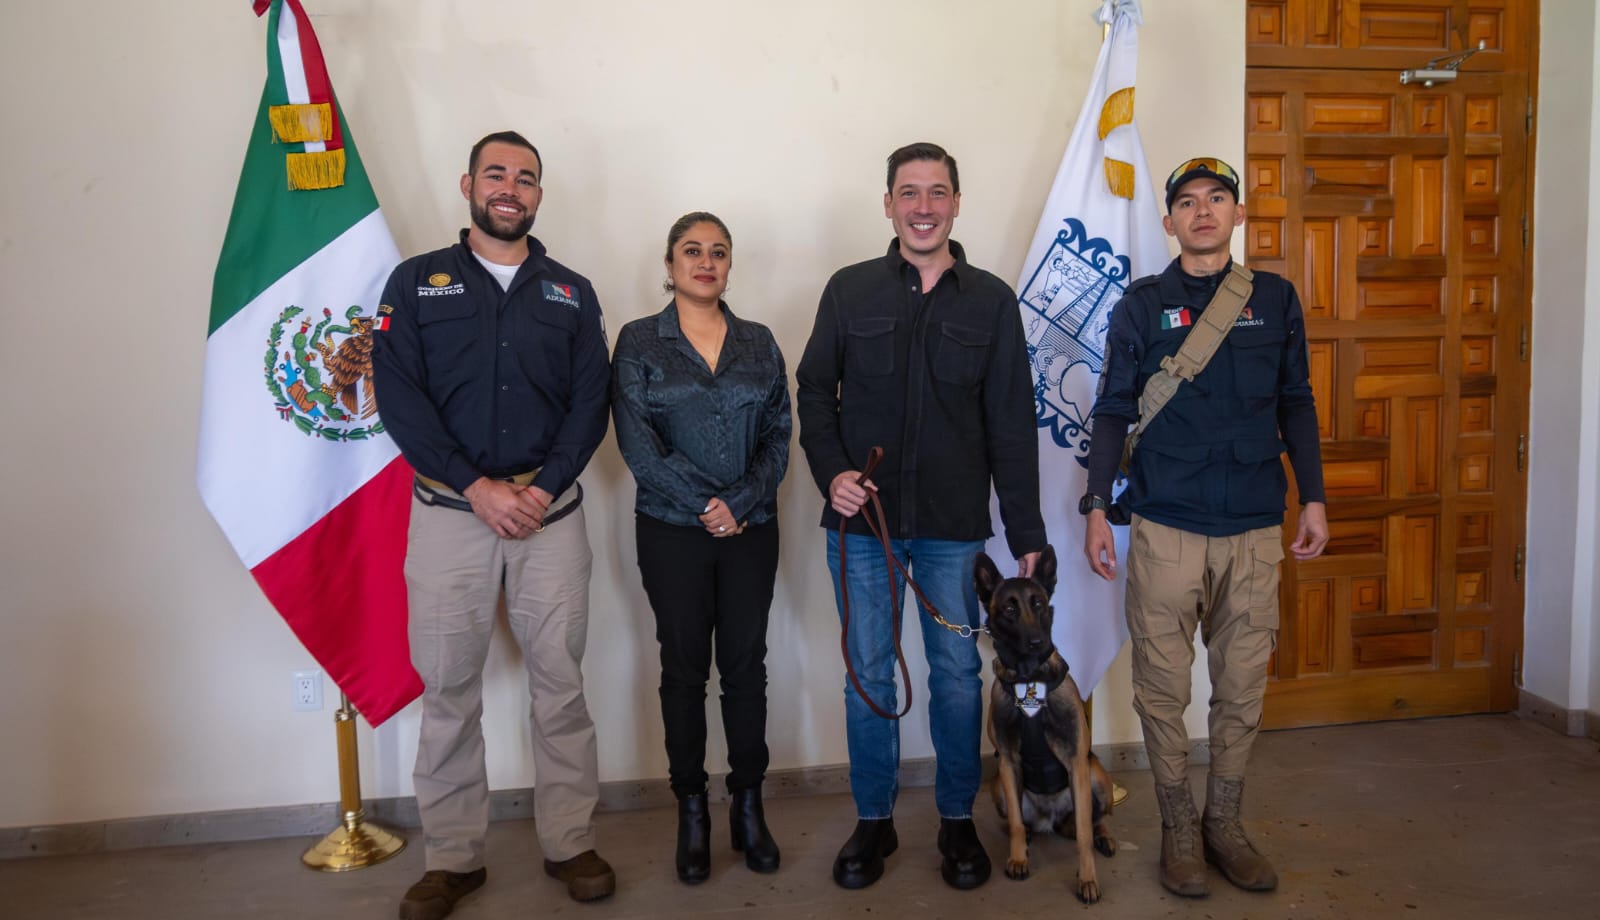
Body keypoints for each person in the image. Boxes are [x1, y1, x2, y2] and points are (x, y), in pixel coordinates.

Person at [372, 131, 615, 919]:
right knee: (447, 689)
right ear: (469, 184)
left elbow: (591, 403)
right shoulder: (414, 285)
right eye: (497, 174)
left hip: (551, 516)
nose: (511, 188)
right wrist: (478, 488)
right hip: (451, 514)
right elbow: (401, 399)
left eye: (527, 178)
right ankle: (453, 857)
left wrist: (540, 490)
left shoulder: (571, 292)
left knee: (561, 686)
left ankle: (569, 842)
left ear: (539, 195)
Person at [796, 142, 1046, 892]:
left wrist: (1026, 533)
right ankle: (873, 823)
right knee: (868, 677)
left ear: (957, 204)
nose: (924, 206)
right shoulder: (849, 291)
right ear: (889, 205)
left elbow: (1010, 421)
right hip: (864, 528)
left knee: (956, 678)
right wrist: (832, 473)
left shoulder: (992, 301)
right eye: (909, 192)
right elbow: (813, 393)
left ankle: (956, 822)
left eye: (938, 192)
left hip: (951, 528)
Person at [1079, 157, 1329, 898]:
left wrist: (1311, 496)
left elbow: (1298, 402)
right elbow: (1113, 408)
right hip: (1166, 525)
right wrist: (1097, 504)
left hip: (1253, 524)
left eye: (1217, 199)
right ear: (1169, 223)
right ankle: (1179, 829)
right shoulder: (1142, 304)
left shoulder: (1275, 299)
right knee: (1161, 689)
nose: (1203, 212)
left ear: (1238, 214)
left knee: (1242, 684)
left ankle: (1225, 823)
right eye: (1187, 203)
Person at [611, 212, 791, 884]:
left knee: (746, 666)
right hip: (671, 532)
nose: (706, 261)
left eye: (718, 252)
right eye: (693, 251)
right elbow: (637, 444)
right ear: (669, 264)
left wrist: (738, 503)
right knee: (684, 669)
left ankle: (749, 805)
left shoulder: (759, 342)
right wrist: (704, 505)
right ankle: (692, 810)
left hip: (752, 532)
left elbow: (780, 433)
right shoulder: (638, 343)